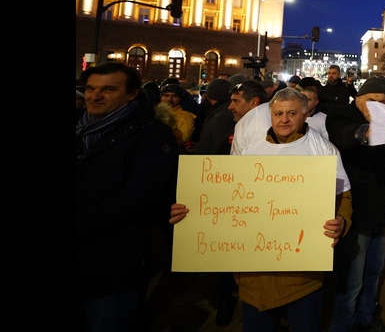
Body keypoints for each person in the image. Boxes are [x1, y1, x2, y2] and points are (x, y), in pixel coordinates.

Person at [170, 89, 351, 332]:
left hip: (301, 276)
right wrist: (191, 212)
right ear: (270, 114)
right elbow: (226, 197)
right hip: (254, 274)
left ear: (305, 114)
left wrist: (341, 220)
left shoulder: (324, 150)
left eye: (291, 113)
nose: (284, 119)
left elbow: (344, 196)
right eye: (278, 113)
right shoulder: (251, 150)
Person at [76, 63, 178, 331]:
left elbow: (136, 199)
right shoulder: (80, 129)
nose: (95, 96)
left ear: (132, 94)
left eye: (108, 89)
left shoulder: (152, 135)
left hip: (114, 266)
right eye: (90, 88)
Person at [327, 77, 385, 332]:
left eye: (383, 102)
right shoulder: (340, 115)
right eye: (372, 101)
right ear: (358, 98)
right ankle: (343, 326)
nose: (378, 106)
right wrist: (366, 132)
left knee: (373, 275)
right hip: (355, 214)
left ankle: (367, 320)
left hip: (381, 213)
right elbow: (342, 136)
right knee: (351, 281)